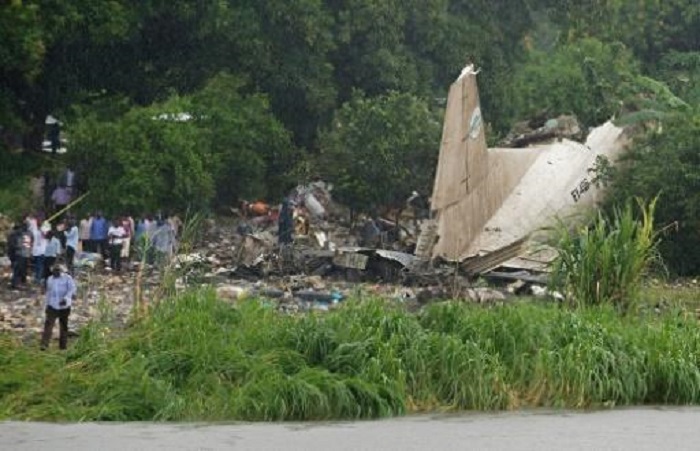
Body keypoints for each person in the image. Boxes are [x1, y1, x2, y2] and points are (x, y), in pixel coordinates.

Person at [40, 264, 76, 350]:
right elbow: (49, 293)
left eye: (57, 271)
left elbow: (72, 289)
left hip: (64, 306)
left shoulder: (67, 278)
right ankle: (44, 345)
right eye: (54, 271)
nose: (55, 273)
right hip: (52, 305)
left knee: (63, 326)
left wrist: (66, 298)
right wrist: (46, 305)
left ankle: (63, 346)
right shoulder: (50, 279)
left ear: (61, 271)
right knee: (48, 325)